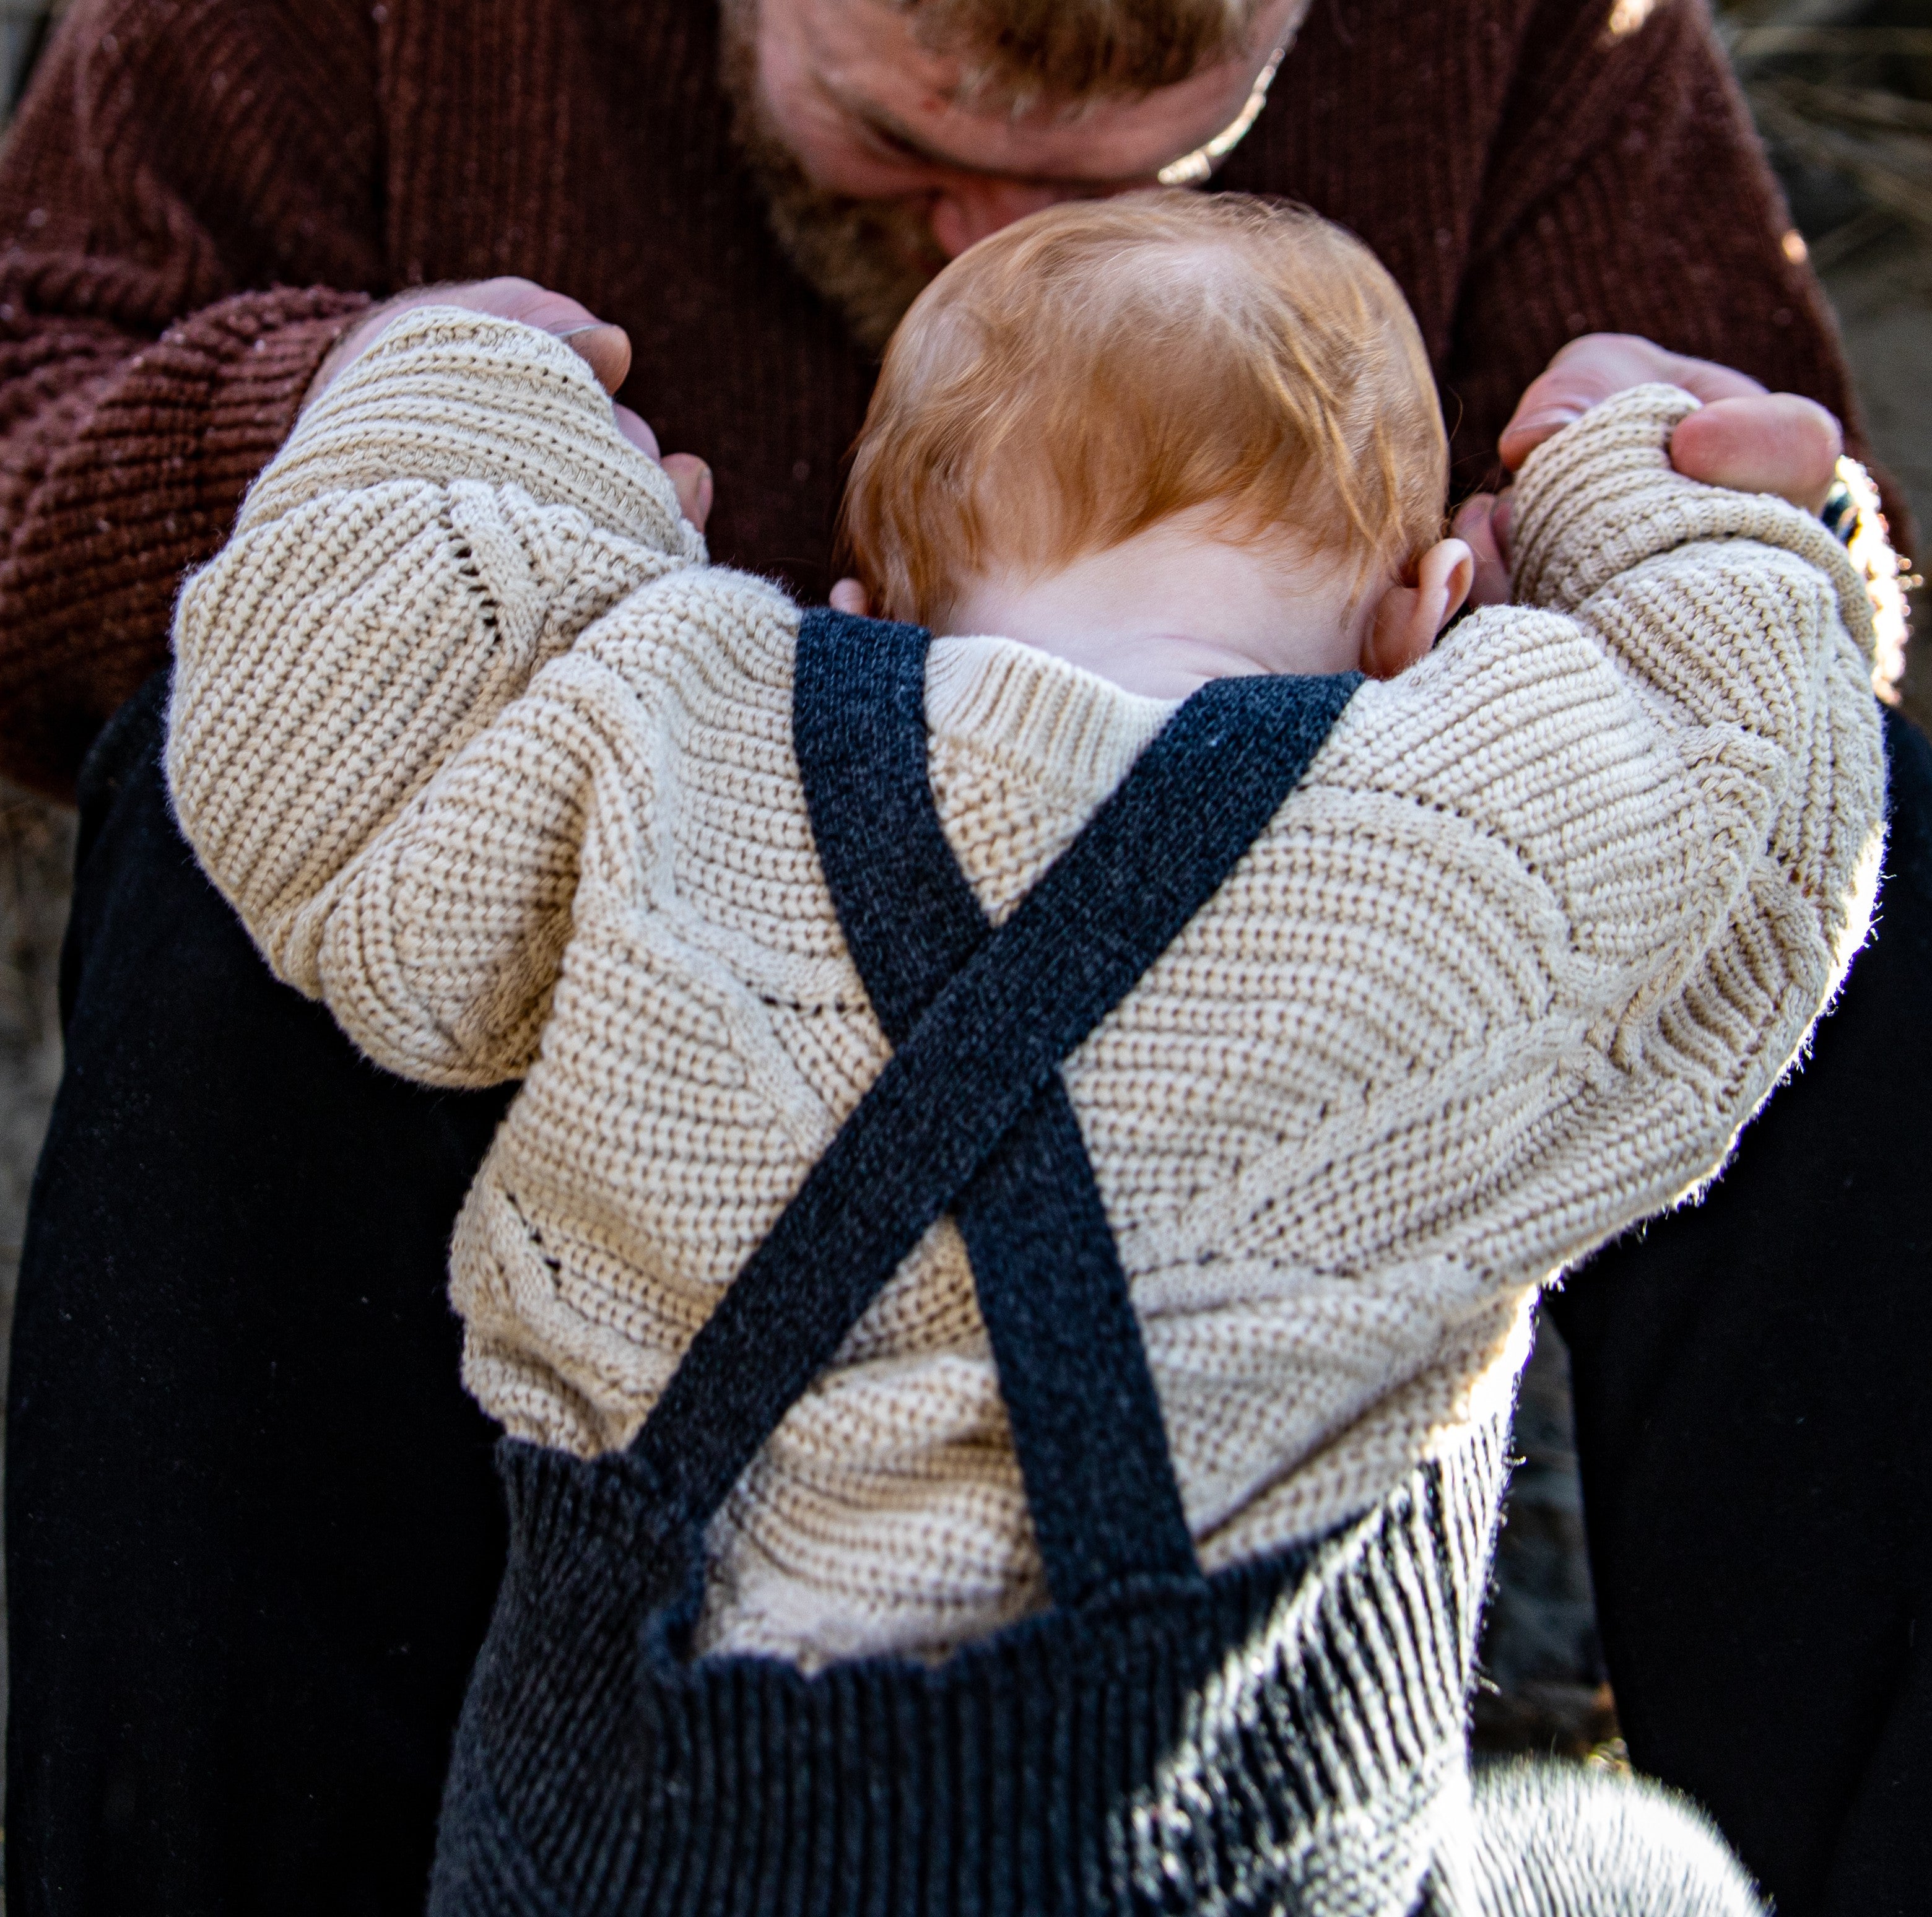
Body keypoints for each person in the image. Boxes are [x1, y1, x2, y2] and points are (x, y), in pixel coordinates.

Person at [0, 0, 1916, 1911]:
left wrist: (427, 458)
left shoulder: (1540, 36)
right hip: (758, 1028)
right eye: (904, 142)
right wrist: (1681, 530)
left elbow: (1788, 475)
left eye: (1156, 165)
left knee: (1883, 858)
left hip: (808, 1044)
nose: (1002, 235)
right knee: (1739, 835)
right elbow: (1752, 751)